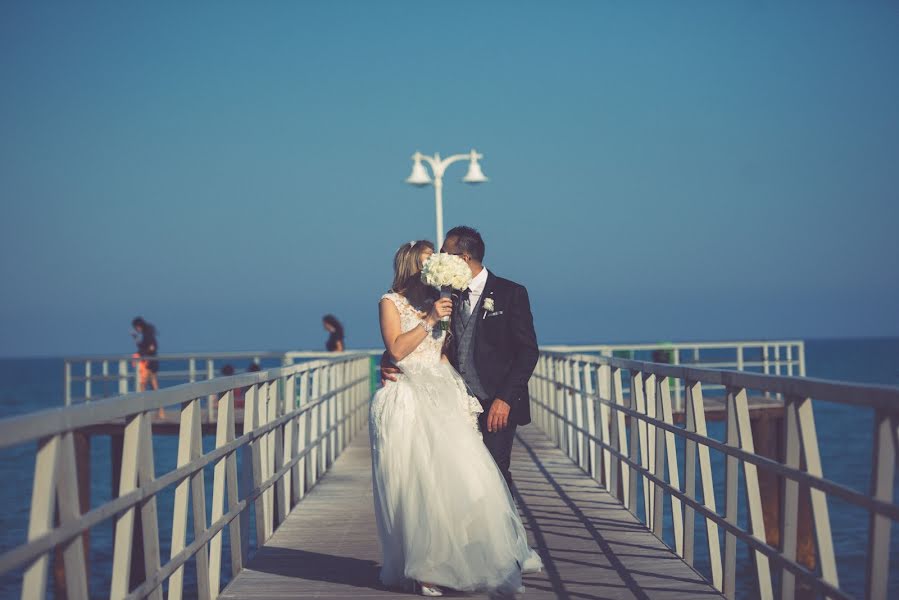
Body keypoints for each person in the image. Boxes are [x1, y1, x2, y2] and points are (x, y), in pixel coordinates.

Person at [370, 239, 541, 598]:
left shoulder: (461, 298)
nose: (435, 266)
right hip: (410, 398)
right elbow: (398, 349)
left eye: (438, 260)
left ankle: (491, 553)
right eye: (427, 261)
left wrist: (463, 394)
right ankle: (425, 566)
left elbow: (447, 351)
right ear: (410, 266)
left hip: (450, 393)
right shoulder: (394, 302)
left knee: (469, 478)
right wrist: (392, 358)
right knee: (420, 485)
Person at [382, 226, 539, 491]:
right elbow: (431, 341)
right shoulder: (445, 293)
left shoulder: (511, 293)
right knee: (458, 478)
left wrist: (505, 399)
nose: (439, 259)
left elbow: (528, 351)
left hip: (496, 402)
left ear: (464, 258)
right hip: (452, 401)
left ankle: (503, 532)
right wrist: (389, 357)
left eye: (444, 253)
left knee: (495, 473)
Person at [131, 317, 162, 417]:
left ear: (138, 326)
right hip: (151, 361)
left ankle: (143, 410)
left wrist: (141, 353)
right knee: (153, 385)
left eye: (136, 327)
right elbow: (148, 347)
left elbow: (151, 347)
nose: (136, 329)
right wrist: (136, 339)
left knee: (143, 385)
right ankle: (160, 411)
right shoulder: (148, 332)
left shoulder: (147, 334)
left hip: (148, 362)